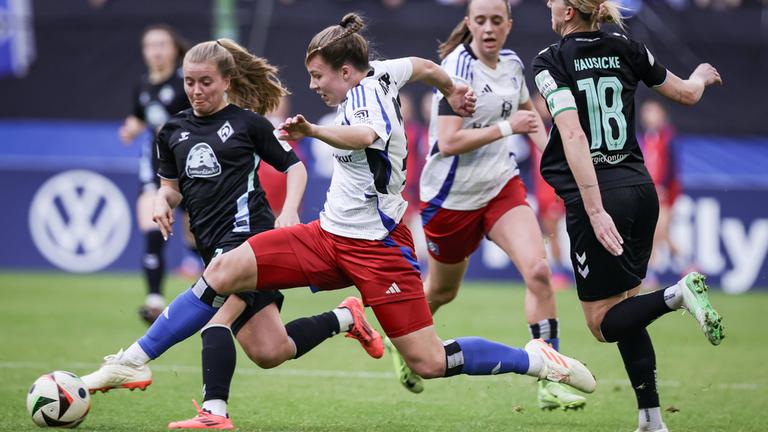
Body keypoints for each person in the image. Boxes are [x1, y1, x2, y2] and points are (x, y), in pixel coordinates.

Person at [81, 14, 597, 421]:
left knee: (429, 362)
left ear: (346, 72)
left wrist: (317, 133)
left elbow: (363, 136)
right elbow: (419, 63)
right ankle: (133, 360)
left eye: (318, 76)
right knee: (222, 271)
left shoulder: (366, 99)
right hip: (327, 236)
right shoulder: (381, 71)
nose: (315, 85)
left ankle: (535, 359)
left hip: (378, 246)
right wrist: (447, 87)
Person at [84, 38, 385, 430]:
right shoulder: (171, 131)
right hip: (215, 249)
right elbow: (171, 186)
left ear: (227, 81)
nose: (196, 90)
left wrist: (289, 210)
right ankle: (345, 318)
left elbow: (295, 168)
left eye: (205, 82)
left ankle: (194, 401)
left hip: (250, 240)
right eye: (190, 82)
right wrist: (162, 201)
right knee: (271, 350)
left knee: (216, 323)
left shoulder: (248, 124)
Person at [532, 1, 724, 430]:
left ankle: (677, 295)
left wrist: (595, 208)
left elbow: (574, 132)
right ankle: (651, 420)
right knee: (626, 307)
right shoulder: (626, 46)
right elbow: (687, 95)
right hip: (641, 190)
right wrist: (701, 77)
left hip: (601, 197)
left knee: (602, 323)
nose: (547, 3)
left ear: (566, 13)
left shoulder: (550, 61)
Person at [385, 0, 586, 411]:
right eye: (481, 21)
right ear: (469, 24)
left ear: (509, 25)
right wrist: (506, 127)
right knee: (443, 290)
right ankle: (402, 341)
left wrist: (556, 167)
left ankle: (551, 377)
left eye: (497, 20)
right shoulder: (457, 69)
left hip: (500, 186)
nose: (489, 28)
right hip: (451, 200)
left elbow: (529, 117)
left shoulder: (513, 64)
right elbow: (448, 141)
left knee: (538, 271)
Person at [118, 24, 199, 323]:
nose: (156, 51)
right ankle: (154, 300)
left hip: (189, 166)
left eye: (162, 44)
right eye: (150, 45)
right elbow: (140, 118)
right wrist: (130, 129)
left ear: (174, 49)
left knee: (196, 235)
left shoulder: (185, 83)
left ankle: (215, 286)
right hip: (154, 166)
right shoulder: (142, 85)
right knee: (151, 224)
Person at [638, 99, 682, 289]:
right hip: (650, 191)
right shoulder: (645, 138)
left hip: (664, 193)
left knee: (657, 232)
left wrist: (663, 186)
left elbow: (671, 166)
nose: (649, 116)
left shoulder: (668, 137)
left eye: (653, 112)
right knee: (662, 234)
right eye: (646, 112)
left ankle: (651, 273)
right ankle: (688, 264)